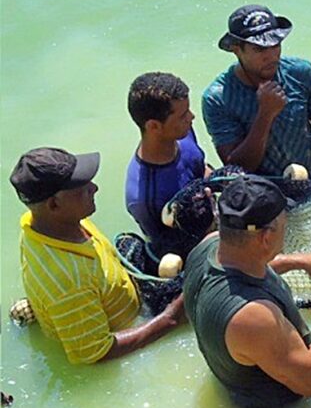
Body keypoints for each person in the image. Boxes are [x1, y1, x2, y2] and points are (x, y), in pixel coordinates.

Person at [183, 175, 311, 408]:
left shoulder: (207, 247)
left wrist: (298, 261)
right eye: (284, 224)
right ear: (266, 236)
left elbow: (242, 276)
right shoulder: (253, 317)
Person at [10, 147, 184, 364]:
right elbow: (97, 352)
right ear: (54, 204)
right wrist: (170, 318)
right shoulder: (69, 281)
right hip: (124, 335)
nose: (95, 188)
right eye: (82, 188)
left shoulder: (41, 223)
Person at [203, 4, 311, 179]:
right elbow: (237, 168)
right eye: (259, 49)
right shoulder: (218, 98)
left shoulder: (301, 71)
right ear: (236, 49)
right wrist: (266, 114)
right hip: (269, 194)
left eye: (276, 45)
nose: (272, 56)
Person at [125, 72, 211, 261]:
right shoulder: (144, 199)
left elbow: (200, 168)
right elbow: (169, 249)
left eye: (188, 110)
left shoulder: (182, 132)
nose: (192, 117)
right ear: (154, 126)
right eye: (183, 115)